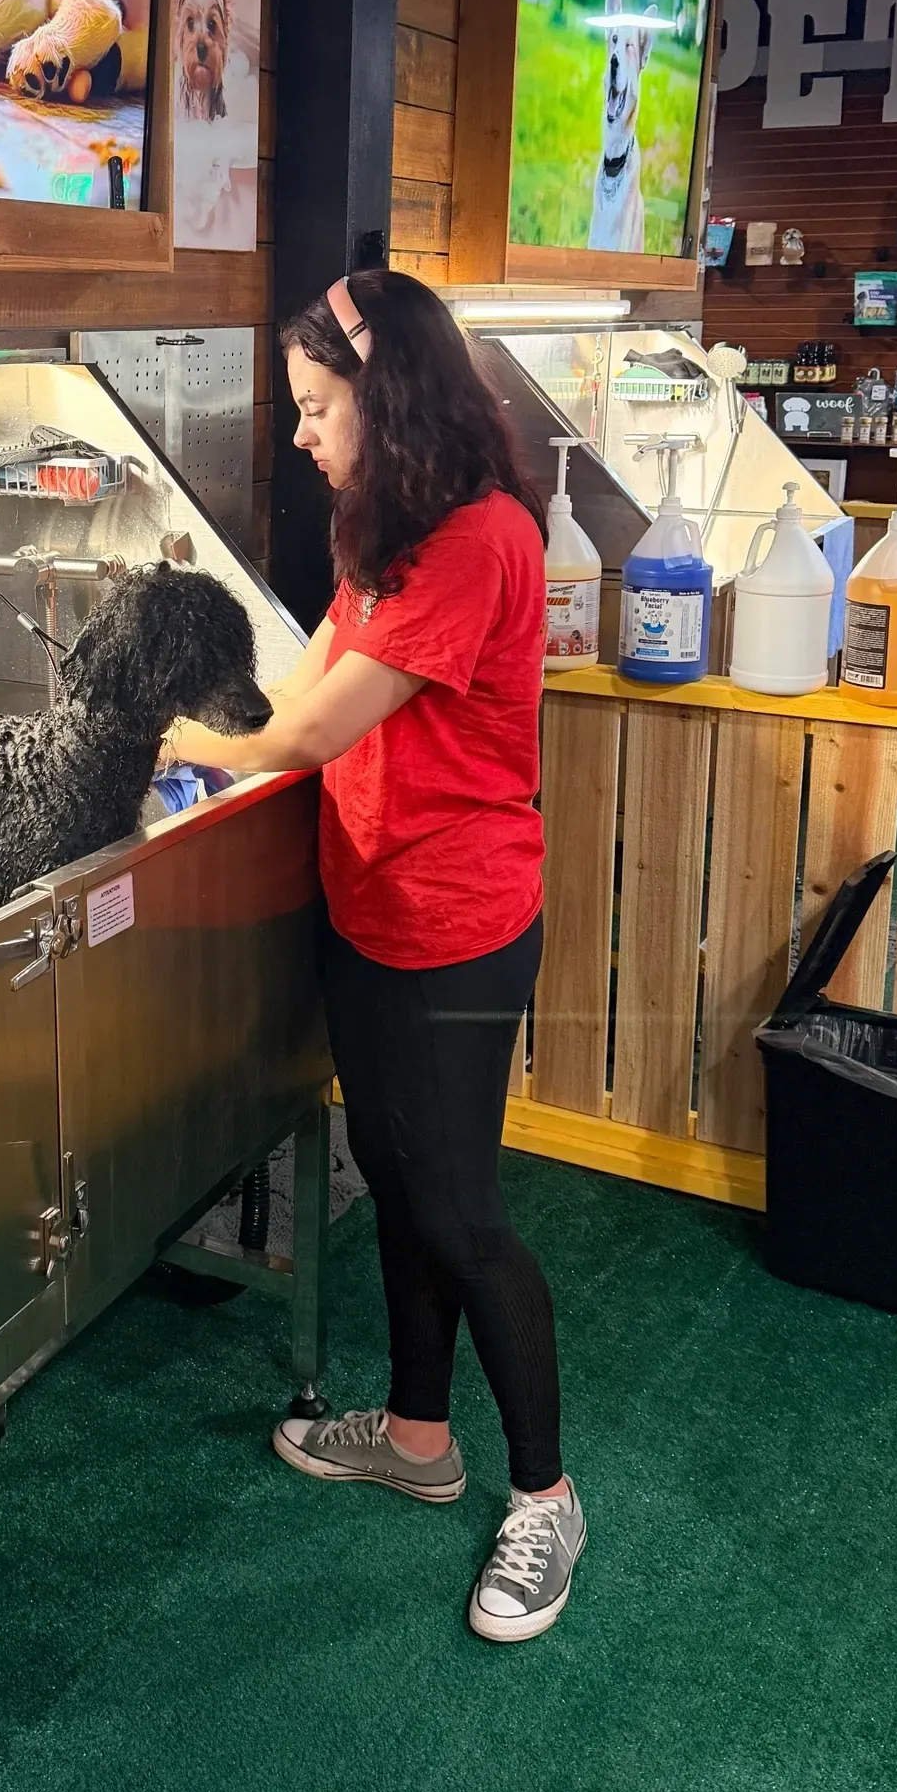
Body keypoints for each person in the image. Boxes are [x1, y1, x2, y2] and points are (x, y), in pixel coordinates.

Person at [167, 267, 583, 1643]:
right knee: (397, 1186)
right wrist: (228, 737)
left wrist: (181, 741)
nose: (299, 435)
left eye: (314, 408)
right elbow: (305, 682)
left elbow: (309, 732)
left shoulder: (476, 539)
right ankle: (416, 1436)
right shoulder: (386, 527)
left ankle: (547, 1496)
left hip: (457, 930)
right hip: (370, 912)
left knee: (462, 1213)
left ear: (387, 398)